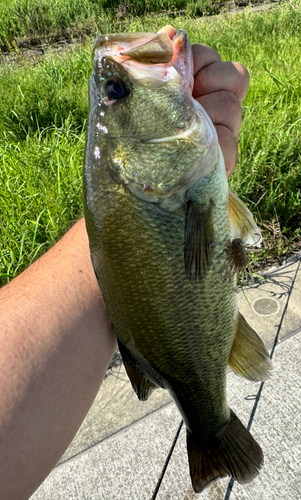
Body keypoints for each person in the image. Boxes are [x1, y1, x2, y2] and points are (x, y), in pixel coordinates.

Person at [0, 25, 250, 500]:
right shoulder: (163, 185)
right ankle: (212, 430)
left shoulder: (157, 186)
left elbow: (147, 235)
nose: (115, 78)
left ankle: (207, 425)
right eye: (116, 90)